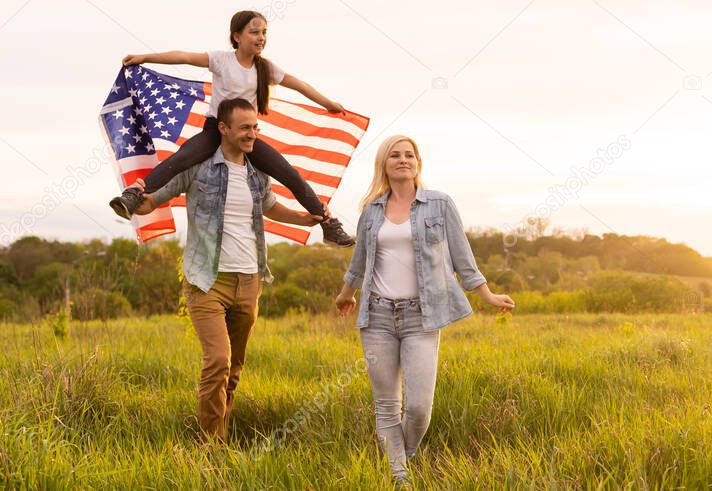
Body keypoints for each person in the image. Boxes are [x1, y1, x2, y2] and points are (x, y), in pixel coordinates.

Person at [133, 98, 327, 441]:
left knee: (234, 368)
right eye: (245, 128)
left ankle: (220, 433)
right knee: (218, 360)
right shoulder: (198, 168)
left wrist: (302, 217)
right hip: (207, 282)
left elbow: (270, 207)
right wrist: (136, 196)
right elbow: (155, 197)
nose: (252, 134)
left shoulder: (256, 173)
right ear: (223, 129)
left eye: (255, 127)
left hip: (250, 280)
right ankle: (211, 447)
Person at [335, 135, 516, 484]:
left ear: (418, 163)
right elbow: (359, 262)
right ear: (384, 164)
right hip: (378, 315)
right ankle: (401, 478)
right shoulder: (371, 211)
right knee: (386, 406)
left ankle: (401, 459)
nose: (403, 160)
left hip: (422, 316)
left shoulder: (440, 204)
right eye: (395, 155)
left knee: (418, 408)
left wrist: (488, 295)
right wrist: (345, 294)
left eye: (409, 155)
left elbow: (463, 259)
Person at [109, 9, 354, 246]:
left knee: (289, 174)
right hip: (216, 129)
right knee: (181, 159)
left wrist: (328, 103)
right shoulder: (222, 60)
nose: (261, 38)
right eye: (255, 32)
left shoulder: (264, 68)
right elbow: (183, 56)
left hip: (246, 135)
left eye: (264, 33)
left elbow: (297, 84)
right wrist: (145, 57)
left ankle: (329, 226)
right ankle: (133, 196)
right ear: (237, 36)